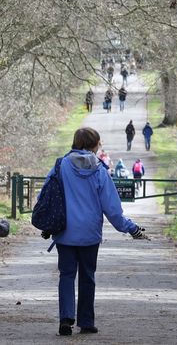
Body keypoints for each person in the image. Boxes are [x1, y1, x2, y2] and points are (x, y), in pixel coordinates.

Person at [48, 128, 147, 336]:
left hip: (64, 231)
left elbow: (45, 196)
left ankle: (65, 319)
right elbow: (112, 207)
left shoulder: (60, 165)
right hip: (89, 233)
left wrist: (48, 224)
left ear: (76, 142)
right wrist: (131, 228)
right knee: (87, 277)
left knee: (66, 276)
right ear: (94, 145)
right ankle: (86, 322)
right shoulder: (100, 170)